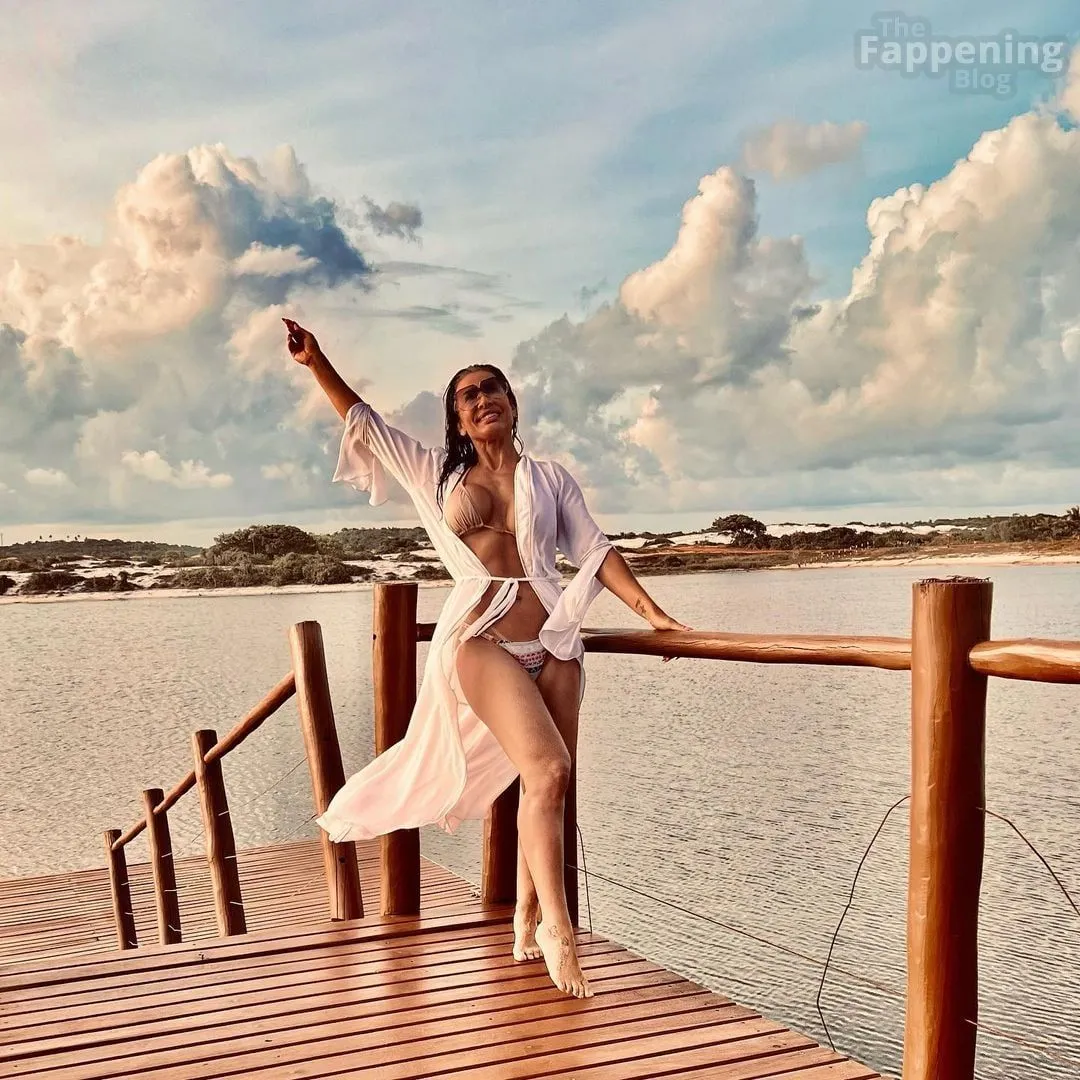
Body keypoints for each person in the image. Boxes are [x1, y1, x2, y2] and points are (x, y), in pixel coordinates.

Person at [285, 318, 691, 999]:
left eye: (491, 388)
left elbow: (594, 551)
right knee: (549, 767)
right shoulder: (438, 473)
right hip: (481, 638)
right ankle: (561, 928)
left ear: (511, 402)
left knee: (549, 785)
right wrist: (317, 361)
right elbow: (366, 422)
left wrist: (655, 617)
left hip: (556, 641)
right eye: (467, 396)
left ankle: (527, 909)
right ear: (458, 420)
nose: (481, 400)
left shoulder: (550, 478)